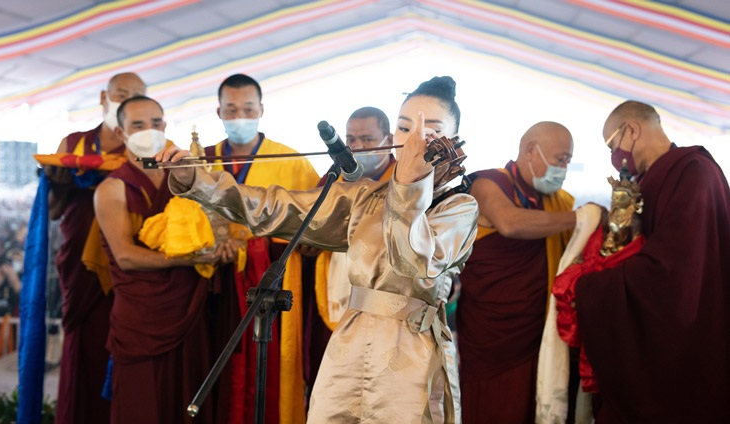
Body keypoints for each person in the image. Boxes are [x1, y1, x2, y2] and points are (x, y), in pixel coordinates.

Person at [158, 76, 478, 423]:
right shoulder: (365, 196)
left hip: (411, 352)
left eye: (432, 128)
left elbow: (412, 260)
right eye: (404, 127)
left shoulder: (459, 207)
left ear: (455, 136)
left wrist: (408, 186)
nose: (417, 138)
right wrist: (198, 182)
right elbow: (276, 207)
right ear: (393, 138)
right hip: (350, 343)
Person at [571, 101, 730, 422]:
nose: (615, 159)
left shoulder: (693, 173)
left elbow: (672, 272)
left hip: (687, 349)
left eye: (612, 146)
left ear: (631, 130)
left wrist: (588, 288)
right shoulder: (649, 181)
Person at [94, 95, 224, 423]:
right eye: (138, 125)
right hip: (141, 317)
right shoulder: (112, 189)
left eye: (155, 123)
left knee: (187, 398)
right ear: (121, 133)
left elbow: (218, 219)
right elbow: (125, 257)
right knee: (142, 405)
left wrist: (221, 245)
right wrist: (187, 260)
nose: (149, 130)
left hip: (187, 309)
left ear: (165, 126)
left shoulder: (182, 175)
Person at [202, 73, 320, 424]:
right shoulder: (202, 160)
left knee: (272, 365)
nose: (240, 116)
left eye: (248, 108)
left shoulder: (292, 161)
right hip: (214, 283)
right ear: (219, 111)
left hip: (272, 279)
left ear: (261, 110)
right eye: (232, 109)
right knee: (216, 363)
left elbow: (317, 225)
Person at [456, 121, 577, 423]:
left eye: (568, 161)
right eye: (560, 159)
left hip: (541, 332)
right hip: (493, 335)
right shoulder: (488, 183)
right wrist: (579, 219)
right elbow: (510, 223)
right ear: (529, 151)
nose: (563, 168)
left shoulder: (556, 201)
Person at [46, 72, 145, 424]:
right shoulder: (73, 142)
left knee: (123, 347)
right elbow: (55, 211)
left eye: (136, 96)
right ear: (104, 97)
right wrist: (57, 185)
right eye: (121, 94)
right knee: (82, 348)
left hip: (126, 263)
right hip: (80, 263)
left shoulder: (146, 146)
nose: (126, 100)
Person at [303, 106, 395, 402]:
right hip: (333, 295)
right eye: (351, 139)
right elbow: (306, 237)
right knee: (333, 392)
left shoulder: (407, 180)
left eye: (367, 139)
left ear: (389, 138)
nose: (357, 147)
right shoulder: (333, 179)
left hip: (385, 304)